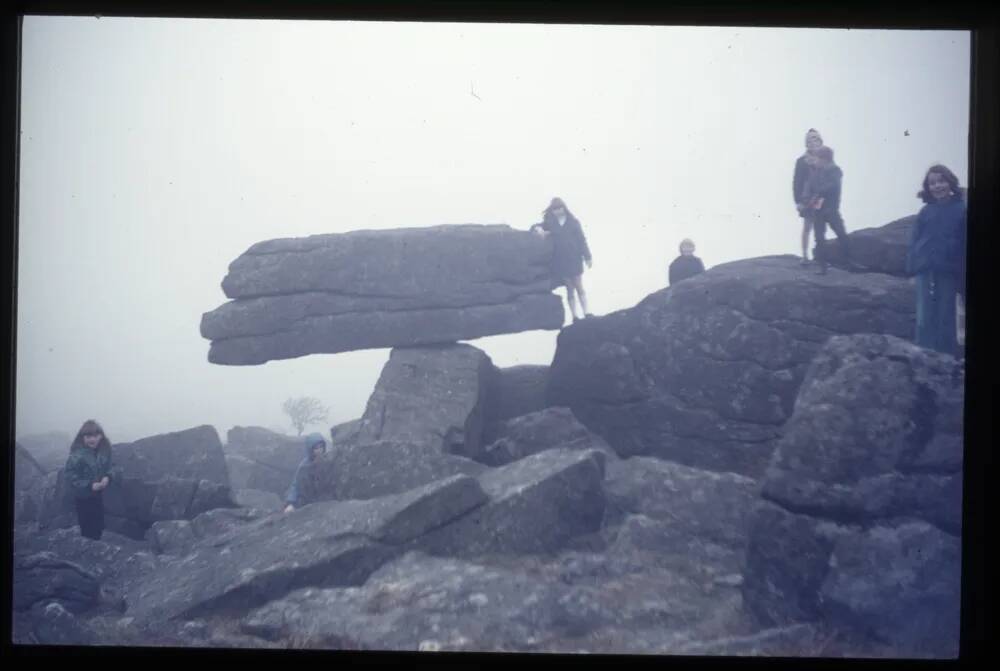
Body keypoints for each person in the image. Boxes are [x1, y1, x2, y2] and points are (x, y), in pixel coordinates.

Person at [906, 164, 966, 356]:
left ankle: (945, 362)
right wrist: (912, 270)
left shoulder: (961, 209)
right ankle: (921, 358)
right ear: (927, 187)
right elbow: (915, 242)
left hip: (948, 270)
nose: (937, 186)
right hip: (925, 270)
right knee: (924, 317)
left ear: (950, 182)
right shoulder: (925, 211)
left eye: (941, 181)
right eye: (932, 183)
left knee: (945, 316)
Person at [530, 197, 593, 323]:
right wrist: (539, 229)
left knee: (579, 285)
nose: (558, 211)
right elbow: (534, 226)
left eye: (560, 208)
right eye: (555, 209)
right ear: (552, 210)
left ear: (564, 207)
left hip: (574, 257)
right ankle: (575, 316)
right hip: (561, 259)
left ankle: (587, 313)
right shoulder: (550, 222)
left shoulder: (573, 222)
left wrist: (587, 256)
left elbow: (582, 240)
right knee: (569, 288)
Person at [801, 145, 851, 274]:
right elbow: (808, 188)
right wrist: (806, 201)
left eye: (817, 158)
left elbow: (832, 187)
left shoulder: (834, 170)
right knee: (819, 238)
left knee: (841, 234)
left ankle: (849, 261)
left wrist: (816, 195)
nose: (815, 160)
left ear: (824, 159)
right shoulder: (815, 172)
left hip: (830, 209)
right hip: (819, 210)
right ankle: (822, 267)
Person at [63, 420, 113, 540]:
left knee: (99, 523)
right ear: (82, 438)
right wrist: (89, 485)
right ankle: (88, 545)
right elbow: (69, 475)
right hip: (83, 496)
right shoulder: (77, 455)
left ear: (101, 436)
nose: (92, 439)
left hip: (98, 495)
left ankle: (97, 542)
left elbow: (111, 466)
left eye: (95, 436)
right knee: (87, 526)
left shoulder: (104, 452)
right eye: (88, 436)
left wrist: (108, 477)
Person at [793, 129, 825, 265]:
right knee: (807, 227)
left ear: (820, 142)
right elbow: (796, 182)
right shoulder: (801, 161)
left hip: (822, 198)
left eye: (815, 139)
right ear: (806, 144)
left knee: (820, 228)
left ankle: (821, 258)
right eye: (809, 140)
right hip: (807, 198)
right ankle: (805, 256)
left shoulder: (825, 160)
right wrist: (798, 201)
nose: (813, 142)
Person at [283, 433, 327, 513]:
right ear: (310, 450)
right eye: (316, 448)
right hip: (308, 499)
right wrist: (291, 503)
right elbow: (296, 484)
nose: (319, 450)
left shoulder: (328, 459)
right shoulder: (304, 465)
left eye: (321, 447)